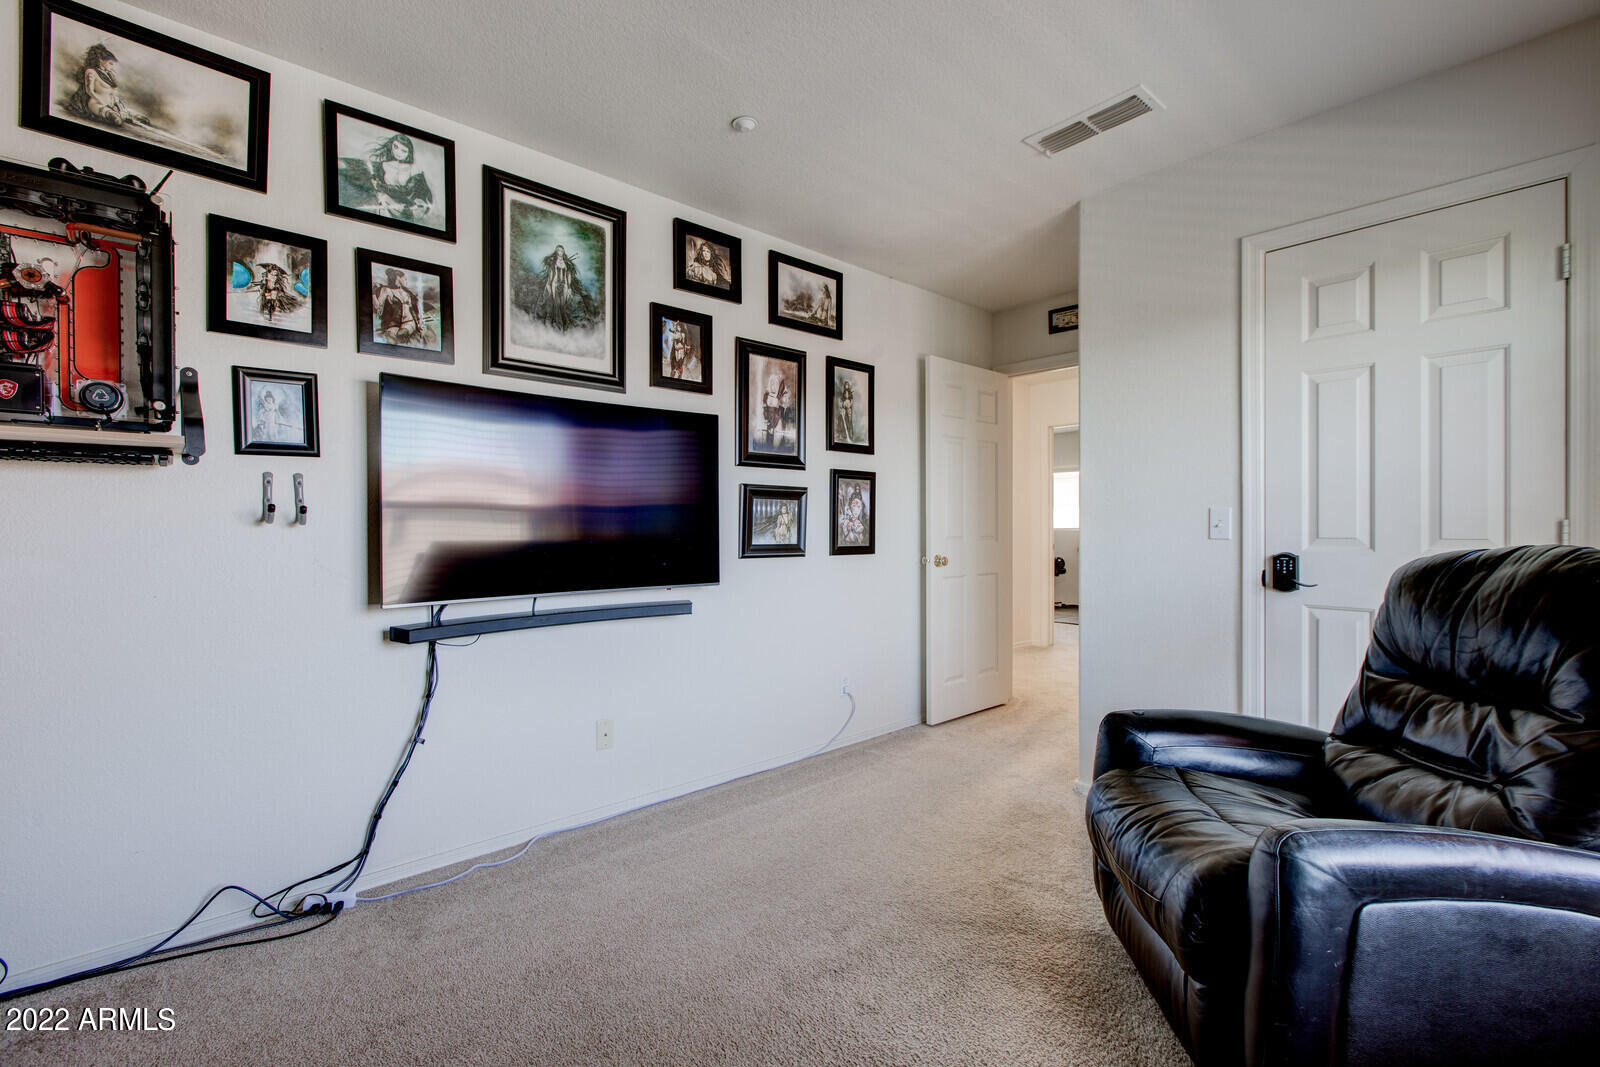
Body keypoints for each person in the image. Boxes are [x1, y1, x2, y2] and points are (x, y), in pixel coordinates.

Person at [339, 133, 434, 223]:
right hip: (387, 204)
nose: (398, 152)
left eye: (403, 150)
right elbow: (364, 165)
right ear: (391, 146)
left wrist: (381, 186)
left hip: (407, 208)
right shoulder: (384, 165)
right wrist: (344, 163)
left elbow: (406, 190)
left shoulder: (414, 169)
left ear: (409, 152)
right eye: (395, 147)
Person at [69, 45, 141, 128]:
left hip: (112, 103)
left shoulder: (109, 74)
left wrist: (117, 104)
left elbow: (114, 91)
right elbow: (89, 90)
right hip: (97, 103)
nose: (112, 67)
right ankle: (112, 115)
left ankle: (130, 115)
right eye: (110, 63)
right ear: (101, 60)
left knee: (132, 115)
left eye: (113, 65)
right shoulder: (91, 72)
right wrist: (101, 101)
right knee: (113, 117)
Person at [373, 267, 427, 346]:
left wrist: (420, 324)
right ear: (398, 278)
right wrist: (373, 293)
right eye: (405, 279)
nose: (406, 281)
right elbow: (377, 306)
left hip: (409, 322)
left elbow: (415, 309)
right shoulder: (386, 290)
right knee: (390, 338)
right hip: (393, 323)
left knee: (401, 334)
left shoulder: (406, 292)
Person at [836, 378, 856, 443]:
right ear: (845, 386)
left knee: (850, 421)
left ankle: (851, 435)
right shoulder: (843, 393)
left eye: (847, 385)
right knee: (843, 419)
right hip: (844, 407)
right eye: (846, 385)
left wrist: (849, 405)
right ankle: (844, 435)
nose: (846, 386)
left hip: (849, 407)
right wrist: (843, 405)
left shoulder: (850, 393)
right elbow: (842, 400)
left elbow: (852, 401)